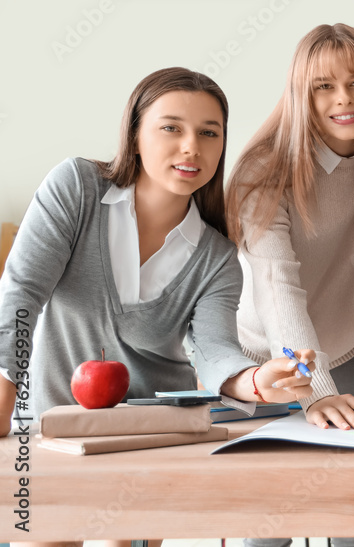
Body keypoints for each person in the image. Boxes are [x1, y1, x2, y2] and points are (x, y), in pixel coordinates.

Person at [0, 67, 315, 547]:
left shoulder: (217, 257)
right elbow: (21, 294)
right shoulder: (77, 189)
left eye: (209, 133)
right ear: (135, 134)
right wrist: (3, 397)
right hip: (46, 434)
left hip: (144, 444)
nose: (192, 147)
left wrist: (255, 380)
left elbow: (213, 351)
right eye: (172, 127)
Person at [228, 24, 354, 547]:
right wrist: (312, 392)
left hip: (351, 352)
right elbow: (279, 289)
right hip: (268, 360)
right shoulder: (264, 170)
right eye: (324, 86)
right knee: (270, 522)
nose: (344, 98)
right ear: (302, 94)